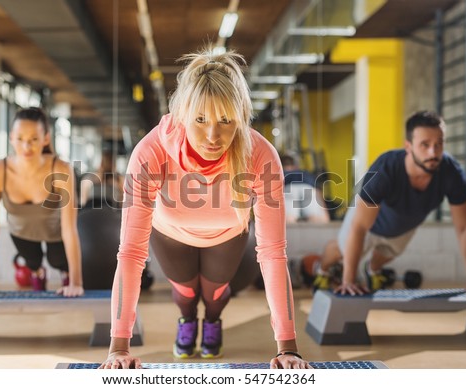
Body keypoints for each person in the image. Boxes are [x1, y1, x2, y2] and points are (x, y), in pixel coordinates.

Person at [99, 48, 310, 369]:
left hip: (227, 234)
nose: (213, 136)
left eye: (225, 120)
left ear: (239, 116)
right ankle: (187, 320)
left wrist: (288, 348)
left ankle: (212, 321)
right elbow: (130, 253)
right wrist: (118, 347)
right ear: (183, 112)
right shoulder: (151, 151)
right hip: (170, 233)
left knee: (213, 296)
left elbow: (272, 253)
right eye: (200, 119)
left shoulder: (260, 155)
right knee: (185, 294)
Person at [312, 110, 466, 296]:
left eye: (439, 144)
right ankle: (323, 270)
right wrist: (349, 282)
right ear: (408, 146)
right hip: (367, 223)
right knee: (341, 251)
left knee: (386, 254)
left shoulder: (451, 172)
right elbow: (360, 227)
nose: (433, 152)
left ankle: (372, 269)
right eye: (425, 145)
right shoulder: (384, 168)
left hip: (402, 226)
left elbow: (465, 228)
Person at [0, 107, 84, 298]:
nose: (26, 146)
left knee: (57, 260)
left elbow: (69, 228)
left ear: (45, 139)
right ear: (11, 138)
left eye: (33, 139)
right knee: (33, 261)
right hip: (21, 232)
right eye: (20, 138)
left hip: (55, 232)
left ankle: (64, 274)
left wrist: (76, 282)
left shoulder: (61, 169)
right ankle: (38, 274)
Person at [280, 153, 330, 224]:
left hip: (288, 188)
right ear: (295, 166)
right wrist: (326, 215)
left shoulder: (281, 173)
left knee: (288, 221)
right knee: (316, 220)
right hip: (308, 188)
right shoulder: (306, 173)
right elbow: (317, 192)